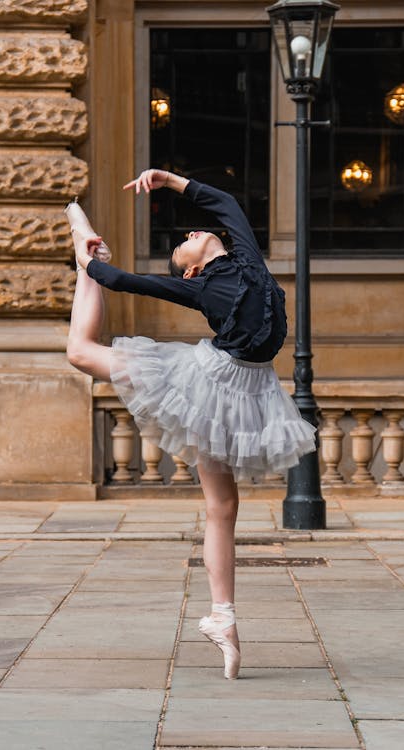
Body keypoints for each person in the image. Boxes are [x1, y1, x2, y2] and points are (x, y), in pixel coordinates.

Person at [65, 168, 317, 680]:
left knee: (223, 506)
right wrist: (88, 251)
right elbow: (120, 281)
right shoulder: (200, 288)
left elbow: (223, 201)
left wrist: (168, 180)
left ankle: (223, 618)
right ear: (189, 272)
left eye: (190, 233)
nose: (189, 235)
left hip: (249, 390)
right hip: (205, 381)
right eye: (183, 244)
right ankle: (76, 234)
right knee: (80, 352)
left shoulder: (246, 257)